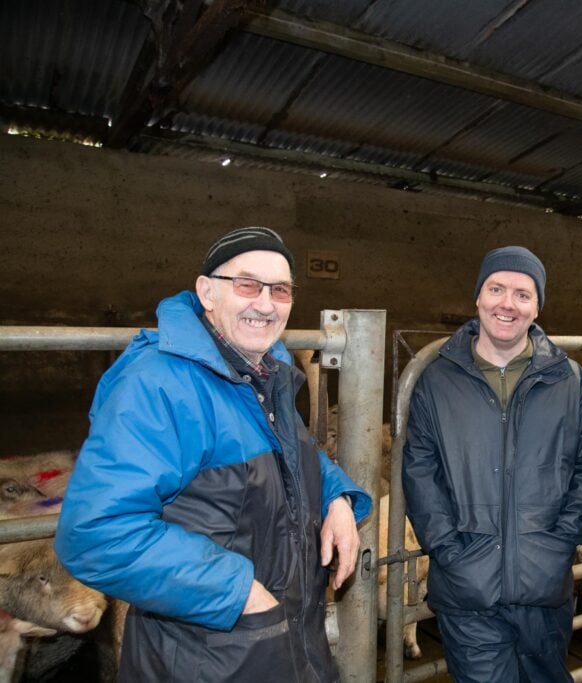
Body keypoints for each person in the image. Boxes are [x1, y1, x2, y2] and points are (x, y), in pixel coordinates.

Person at [55, 227, 371, 682]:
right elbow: (95, 533)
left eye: (280, 290)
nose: (265, 303)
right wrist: (237, 591)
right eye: (246, 284)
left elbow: (291, 453)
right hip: (205, 655)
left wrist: (334, 497)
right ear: (206, 292)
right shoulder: (158, 384)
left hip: (288, 642)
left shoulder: (265, 372)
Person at [402, 246, 582, 682]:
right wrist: (448, 550)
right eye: (496, 288)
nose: (507, 304)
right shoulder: (437, 382)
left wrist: (559, 543)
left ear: (537, 308)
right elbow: (421, 473)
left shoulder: (571, 383)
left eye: (522, 294)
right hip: (467, 588)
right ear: (478, 297)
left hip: (544, 586)